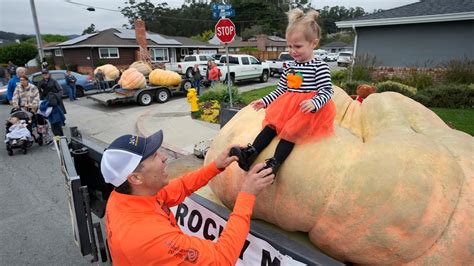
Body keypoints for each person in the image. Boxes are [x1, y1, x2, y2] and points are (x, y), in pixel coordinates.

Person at [101, 130, 274, 265]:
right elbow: (221, 259)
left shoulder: (126, 196)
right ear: (136, 178)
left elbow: (180, 186)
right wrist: (247, 196)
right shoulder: (150, 238)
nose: (164, 157)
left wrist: (216, 166)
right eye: (155, 156)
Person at [229, 8, 336, 176]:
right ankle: (250, 153)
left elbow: (327, 91)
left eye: (298, 46)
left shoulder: (319, 65)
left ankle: (274, 164)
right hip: (287, 107)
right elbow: (281, 90)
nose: (292, 51)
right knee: (271, 126)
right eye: (289, 46)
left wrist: (314, 103)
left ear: (313, 43)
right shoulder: (290, 65)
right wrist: (265, 101)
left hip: (306, 110)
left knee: (290, 132)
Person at [37, 69, 66, 136]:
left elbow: (61, 91)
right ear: (42, 75)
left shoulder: (54, 81)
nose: (45, 75)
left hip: (55, 102)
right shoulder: (40, 82)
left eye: (46, 73)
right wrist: (42, 100)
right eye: (44, 74)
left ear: (49, 74)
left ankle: (61, 138)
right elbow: (39, 92)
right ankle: (58, 139)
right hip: (47, 103)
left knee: (58, 121)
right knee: (52, 122)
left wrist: (55, 97)